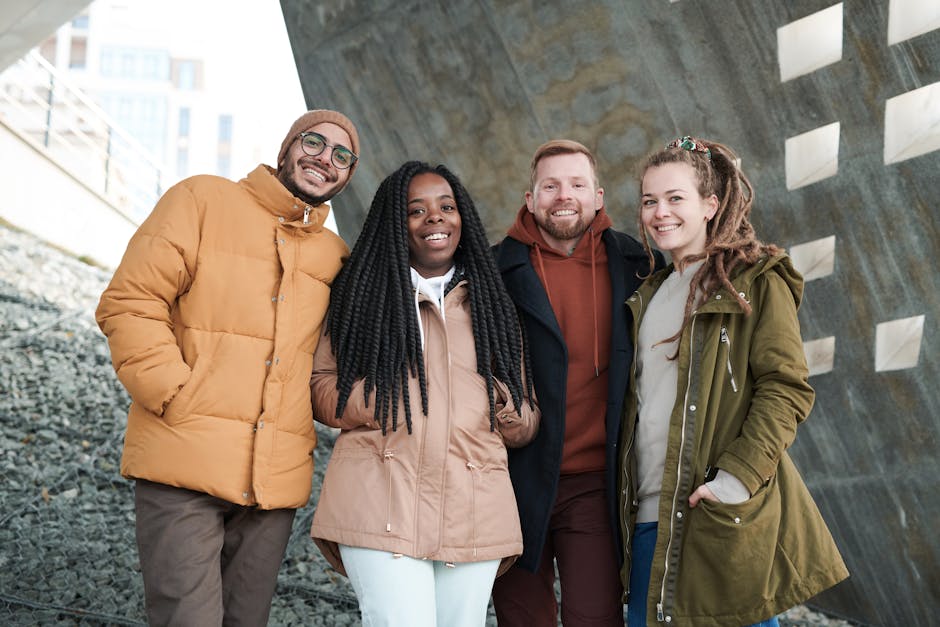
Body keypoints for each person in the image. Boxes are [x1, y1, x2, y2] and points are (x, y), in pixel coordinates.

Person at [95, 109, 360, 625]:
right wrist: (175, 394)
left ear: (347, 177)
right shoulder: (201, 200)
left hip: (272, 490)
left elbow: (337, 360)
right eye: (313, 142)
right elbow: (129, 302)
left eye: (341, 156)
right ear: (286, 148)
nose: (324, 159)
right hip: (184, 465)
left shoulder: (334, 256)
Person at [620, 136, 849, 626]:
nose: (660, 212)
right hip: (648, 520)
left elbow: (786, 387)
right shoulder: (648, 296)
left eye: (675, 198)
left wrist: (735, 481)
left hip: (715, 515)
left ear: (710, 204)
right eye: (649, 201)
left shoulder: (755, 279)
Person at [309, 160, 540, 627]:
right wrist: (385, 401)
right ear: (396, 225)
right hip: (379, 498)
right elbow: (321, 389)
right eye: (416, 210)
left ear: (462, 218)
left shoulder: (492, 304)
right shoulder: (362, 296)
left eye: (446, 206)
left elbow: (527, 419)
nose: (435, 218)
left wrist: (499, 406)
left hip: (473, 504)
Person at [492, 139, 664, 626]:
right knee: (523, 619)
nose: (562, 195)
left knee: (596, 616)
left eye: (576, 184)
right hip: (511, 479)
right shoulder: (491, 271)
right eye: (550, 186)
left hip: (594, 483)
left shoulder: (639, 267)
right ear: (530, 199)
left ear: (599, 196)